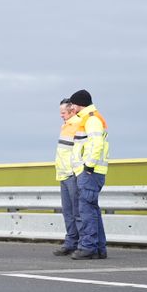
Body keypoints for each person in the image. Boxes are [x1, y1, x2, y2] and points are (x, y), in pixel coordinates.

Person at [69, 89, 109, 260]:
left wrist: (89, 166)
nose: (72, 108)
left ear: (79, 104)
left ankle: (88, 247)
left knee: (86, 210)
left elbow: (96, 144)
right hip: (91, 172)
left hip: (90, 173)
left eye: (73, 104)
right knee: (92, 210)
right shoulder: (90, 118)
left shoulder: (91, 119)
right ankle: (99, 248)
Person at [52, 98, 84, 257]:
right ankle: (71, 242)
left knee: (77, 211)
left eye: (63, 112)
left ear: (72, 110)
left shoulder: (78, 124)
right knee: (68, 211)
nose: (61, 115)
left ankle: (80, 243)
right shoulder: (66, 126)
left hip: (72, 174)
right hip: (63, 173)